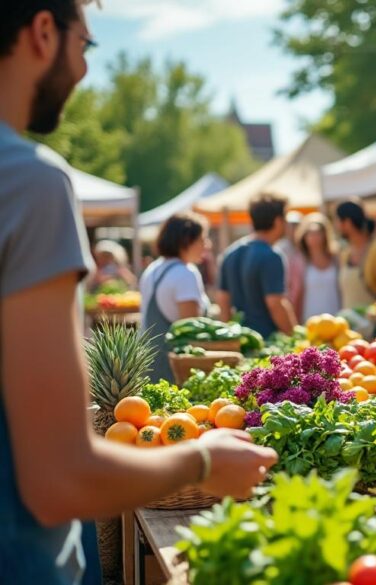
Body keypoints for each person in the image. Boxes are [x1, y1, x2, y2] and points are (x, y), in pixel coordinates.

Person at [0, 3, 277, 582]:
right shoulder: (28, 183)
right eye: (87, 46)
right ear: (44, 32)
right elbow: (58, 480)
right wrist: (203, 460)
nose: (82, 70)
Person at [139, 212, 211, 382]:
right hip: (176, 370)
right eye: (202, 239)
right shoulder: (185, 273)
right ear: (186, 240)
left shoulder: (153, 268)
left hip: (147, 363)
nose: (207, 245)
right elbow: (191, 328)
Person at [217, 194, 298, 338]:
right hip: (267, 342)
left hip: (239, 339)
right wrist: (294, 337)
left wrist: (229, 339)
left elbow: (223, 301)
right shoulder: (272, 256)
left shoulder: (230, 253)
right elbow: (275, 304)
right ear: (278, 221)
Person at [334, 200, 376, 310]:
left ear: (347, 223)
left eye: (337, 221)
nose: (336, 226)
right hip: (348, 324)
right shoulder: (346, 253)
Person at [293, 212, 341, 321]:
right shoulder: (299, 262)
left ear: (325, 234)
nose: (314, 237)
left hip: (336, 320)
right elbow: (295, 295)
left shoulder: (336, 258)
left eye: (318, 233)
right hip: (309, 321)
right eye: (310, 233)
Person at [275, 210, 304, 314]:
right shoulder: (279, 248)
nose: (293, 228)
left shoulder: (305, 248)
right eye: (291, 225)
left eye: (296, 225)